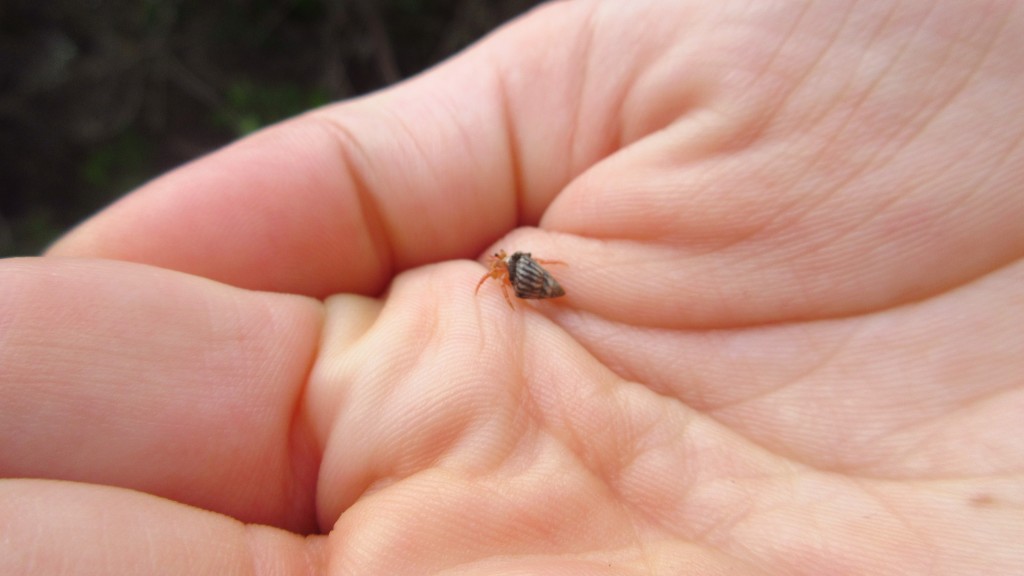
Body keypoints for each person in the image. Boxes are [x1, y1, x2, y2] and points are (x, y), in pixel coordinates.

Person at [3, 0, 1022, 572]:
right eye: (499, 268)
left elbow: (535, 279)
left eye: (497, 268)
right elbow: (531, 280)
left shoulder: (516, 276)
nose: (493, 270)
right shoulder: (512, 277)